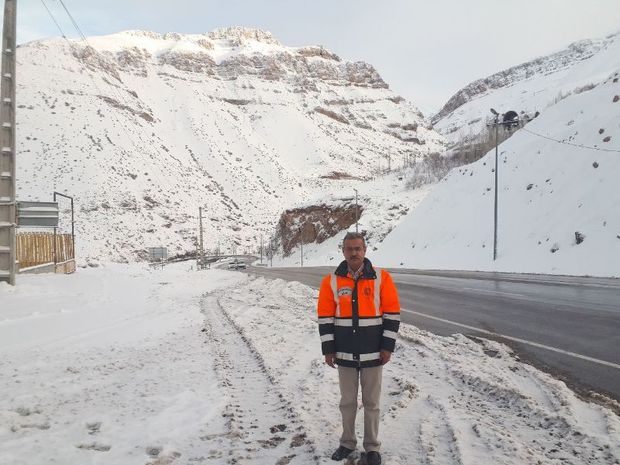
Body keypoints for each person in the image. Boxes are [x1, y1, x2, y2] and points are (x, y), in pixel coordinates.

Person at [317, 232, 400, 465]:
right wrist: (328, 350)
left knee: (372, 402)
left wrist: (387, 347)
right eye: (349, 248)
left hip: (374, 353)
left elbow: (392, 315)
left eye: (358, 248)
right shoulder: (331, 281)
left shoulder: (382, 278)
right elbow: (325, 317)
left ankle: (372, 447)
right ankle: (346, 443)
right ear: (342, 251)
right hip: (344, 353)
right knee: (347, 402)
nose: (354, 253)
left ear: (365, 250)